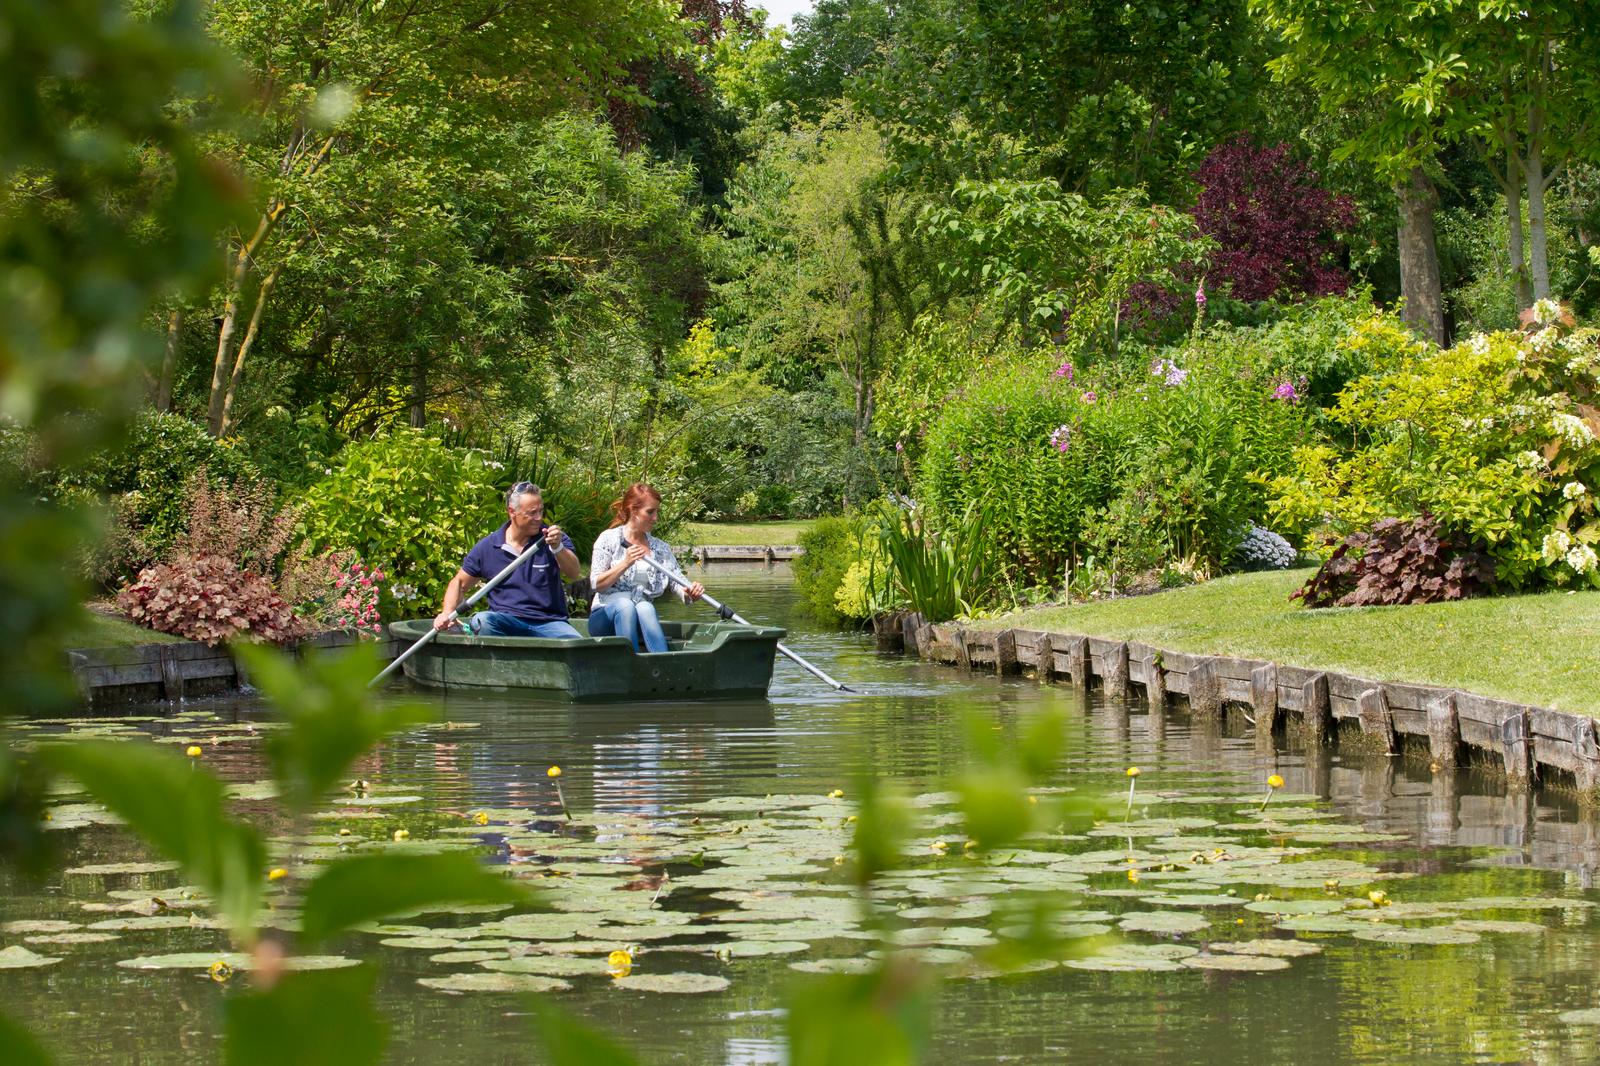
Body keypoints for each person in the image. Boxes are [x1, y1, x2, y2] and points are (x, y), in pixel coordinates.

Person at [433, 481, 583, 638]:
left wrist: (558, 548)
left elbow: (574, 573)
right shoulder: (489, 546)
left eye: (541, 511)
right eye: (532, 513)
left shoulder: (553, 539)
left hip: (549, 622)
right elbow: (459, 583)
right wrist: (447, 613)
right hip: (505, 620)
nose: (539, 518)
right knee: (481, 620)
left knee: (574, 645)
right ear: (512, 511)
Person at [588, 483, 704, 653]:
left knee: (645, 607)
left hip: (640, 618)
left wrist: (690, 592)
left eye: (657, 512)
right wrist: (625, 563)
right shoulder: (608, 539)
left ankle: (661, 664)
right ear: (634, 511)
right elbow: (596, 584)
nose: (656, 518)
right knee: (626, 606)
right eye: (650, 512)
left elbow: (677, 581)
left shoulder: (660, 547)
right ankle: (630, 666)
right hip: (604, 617)